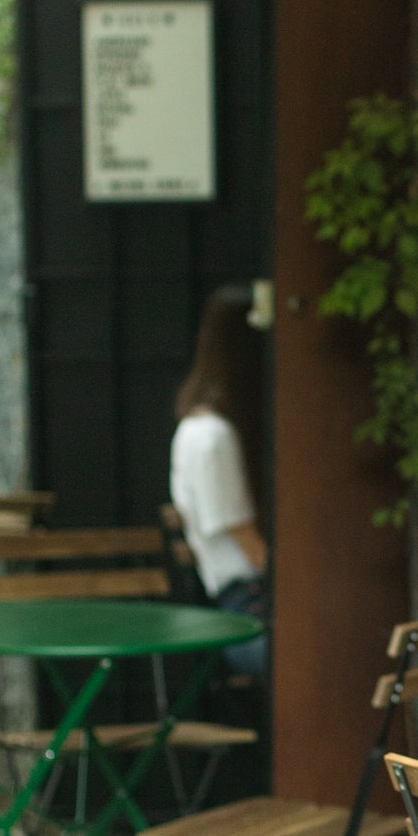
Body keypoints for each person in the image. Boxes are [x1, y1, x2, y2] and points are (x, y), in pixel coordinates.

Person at [170, 286, 268, 675]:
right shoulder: (212, 436)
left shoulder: (202, 427)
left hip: (242, 600)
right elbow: (241, 534)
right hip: (247, 607)